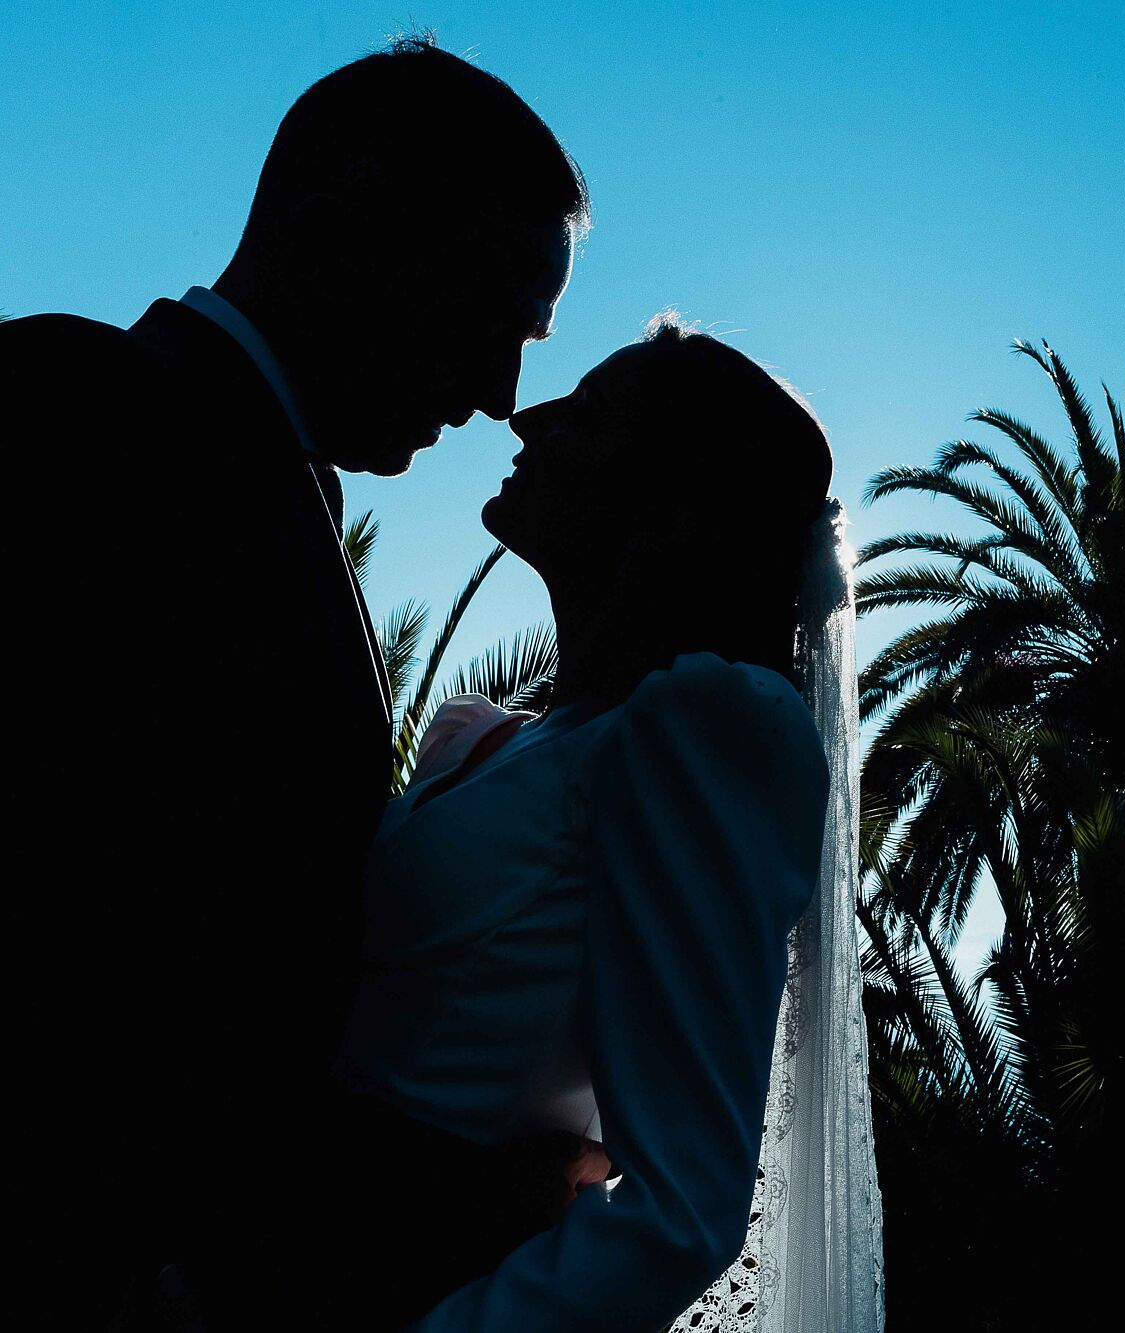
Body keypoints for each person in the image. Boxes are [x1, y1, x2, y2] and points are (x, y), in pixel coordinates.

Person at [0, 37, 586, 1328]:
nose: (501, 394)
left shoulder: (279, 489)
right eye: (495, 316)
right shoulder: (65, 405)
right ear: (352, 221)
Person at [331, 318, 884, 1330]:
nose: (529, 415)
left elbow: (682, 1208)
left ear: (668, 500)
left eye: (586, 413)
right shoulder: (494, 739)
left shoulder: (702, 732)